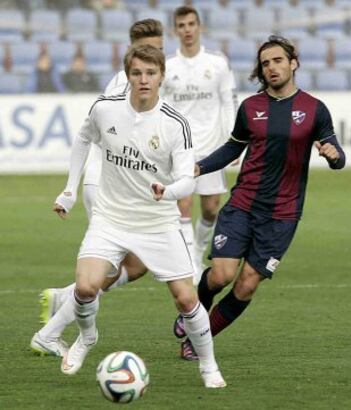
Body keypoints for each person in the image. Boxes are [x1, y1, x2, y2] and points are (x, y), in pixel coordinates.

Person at [32, 44, 226, 388]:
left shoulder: (174, 124)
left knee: (186, 298)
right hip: (110, 218)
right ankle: (87, 338)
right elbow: (82, 139)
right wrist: (69, 190)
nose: (144, 80)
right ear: (128, 76)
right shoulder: (106, 110)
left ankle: (209, 366)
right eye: (137, 73)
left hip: (157, 222)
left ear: (162, 76)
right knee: (86, 286)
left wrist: (168, 192)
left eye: (151, 73)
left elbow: (185, 179)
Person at [173, 35, 346, 360]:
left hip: (282, 215)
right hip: (243, 205)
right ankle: (192, 314)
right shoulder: (251, 107)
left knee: (246, 285)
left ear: (293, 63)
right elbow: (233, 147)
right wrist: (198, 168)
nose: (272, 67)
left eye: (278, 60)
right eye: (265, 63)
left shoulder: (314, 109)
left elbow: (339, 157)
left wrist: (333, 154)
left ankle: (201, 339)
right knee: (222, 275)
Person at [31, 19, 164, 353]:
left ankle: (66, 296)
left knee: (136, 265)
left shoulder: (147, 82)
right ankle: (49, 333)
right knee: (111, 265)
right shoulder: (127, 87)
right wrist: (70, 189)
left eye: (161, 49)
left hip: (119, 184)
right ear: (135, 51)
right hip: (108, 184)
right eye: (153, 49)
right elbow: (88, 135)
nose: (161, 56)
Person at [162, 6, 237, 281]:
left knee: (210, 208)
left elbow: (228, 101)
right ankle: (188, 263)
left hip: (213, 147)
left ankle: (198, 249)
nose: (187, 29)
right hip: (180, 148)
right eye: (181, 25)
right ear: (175, 30)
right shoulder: (168, 66)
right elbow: (161, 106)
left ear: (200, 27)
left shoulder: (217, 63)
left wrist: (234, 140)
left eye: (191, 24)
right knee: (183, 205)